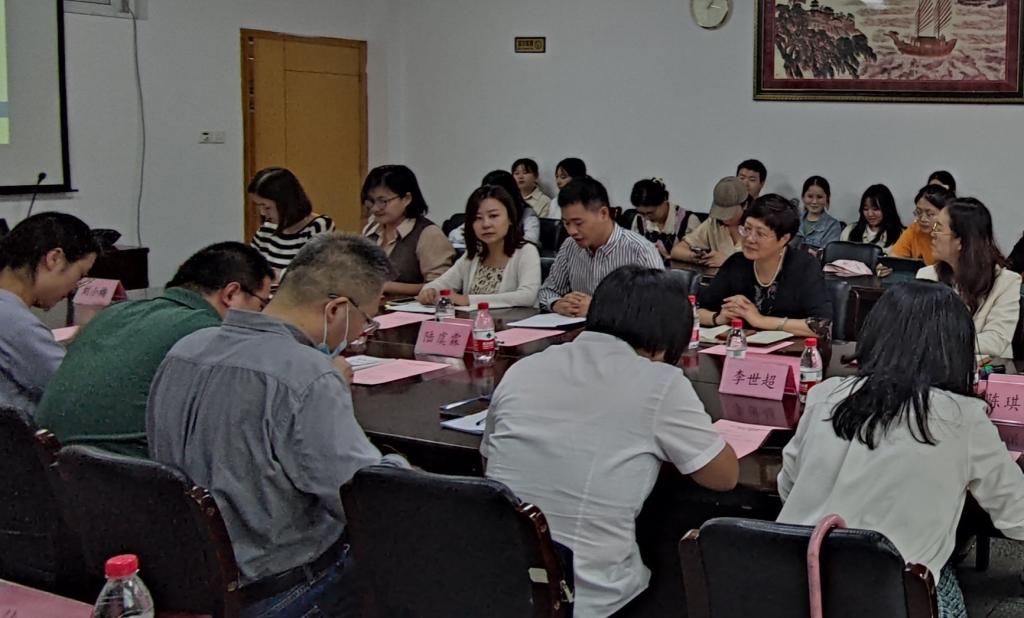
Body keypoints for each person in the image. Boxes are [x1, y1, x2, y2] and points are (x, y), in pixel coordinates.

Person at [147, 233, 409, 617]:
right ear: (336, 310)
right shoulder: (307, 374)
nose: (360, 334)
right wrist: (401, 467)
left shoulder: (185, 349)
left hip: (188, 580)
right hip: (276, 589)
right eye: (366, 321)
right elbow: (361, 500)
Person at [482, 265, 739, 617]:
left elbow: (488, 462)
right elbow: (723, 477)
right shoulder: (659, 383)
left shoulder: (524, 368)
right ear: (668, 336)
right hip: (589, 596)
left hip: (499, 585)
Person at [777, 281, 1024, 618]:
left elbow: (787, 486)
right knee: (941, 578)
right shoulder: (963, 417)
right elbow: (1017, 515)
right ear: (957, 349)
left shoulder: (826, 394)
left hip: (794, 582)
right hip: (889, 594)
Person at [36, 242, 274, 458]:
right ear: (231, 294)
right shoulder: (207, 333)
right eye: (261, 304)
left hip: (53, 465)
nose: (261, 315)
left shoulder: (116, 312)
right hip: (126, 474)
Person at [0, 213, 99, 414]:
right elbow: (78, 390)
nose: (75, 287)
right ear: (54, 259)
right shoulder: (15, 322)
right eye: (80, 274)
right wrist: (90, 336)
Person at [698, 194, 832, 338]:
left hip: (791, 350)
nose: (750, 239)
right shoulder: (736, 263)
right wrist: (718, 318)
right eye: (747, 229)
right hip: (741, 346)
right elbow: (696, 310)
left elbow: (821, 326)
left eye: (760, 234)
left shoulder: (804, 267)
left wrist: (760, 320)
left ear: (784, 239)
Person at [538, 176, 664, 317]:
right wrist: (556, 304)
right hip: (576, 328)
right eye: (566, 223)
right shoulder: (570, 246)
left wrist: (598, 308)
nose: (572, 231)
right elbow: (547, 291)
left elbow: (657, 307)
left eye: (578, 223)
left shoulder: (640, 250)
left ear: (603, 214)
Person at [917, 198, 1020, 358]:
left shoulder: (1005, 282)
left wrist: (941, 342)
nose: (932, 233)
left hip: (986, 369)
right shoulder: (926, 275)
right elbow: (918, 332)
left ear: (961, 241)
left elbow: (996, 340)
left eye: (939, 228)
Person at [420, 185, 541, 308]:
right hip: (475, 320)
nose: (486, 224)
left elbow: (527, 296)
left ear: (510, 218)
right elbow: (440, 284)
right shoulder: (474, 254)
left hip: (514, 320)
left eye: (493, 216)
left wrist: (468, 300)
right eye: (478, 218)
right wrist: (430, 291)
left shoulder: (526, 251)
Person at [361, 164, 454, 296]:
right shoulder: (371, 229)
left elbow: (440, 287)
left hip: (411, 307)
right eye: (371, 201)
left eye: (383, 201)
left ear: (406, 199)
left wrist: (387, 287)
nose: (375, 208)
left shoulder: (428, 233)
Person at [248, 167, 335, 282]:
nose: (263, 213)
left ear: (286, 203)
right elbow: (249, 266)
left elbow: (317, 274)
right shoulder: (266, 229)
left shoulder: (318, 226)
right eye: (258, 206)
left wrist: (276, 275)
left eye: (267, 207)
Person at [447, 170, 540, 247]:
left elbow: (530, 241)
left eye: (494, 216)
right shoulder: (481, 212)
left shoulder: (527, 213)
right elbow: (454, 235)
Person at [670, 177, 748, 267]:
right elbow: (676, 251)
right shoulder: (713, 223)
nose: (724, 216)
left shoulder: (755, 228)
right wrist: (695, 257)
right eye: (720, 210)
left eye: (729, 211)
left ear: (745, 205)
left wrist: (727, 261)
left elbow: (758, 267)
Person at [627, 178, 702, 258]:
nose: (646, 218)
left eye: (650, 213)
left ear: (664, 199)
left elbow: (699, 260)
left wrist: (668, 256)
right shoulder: (639, 220)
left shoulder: (688, 221)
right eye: (642, 213)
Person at [886, 184, 954, 267]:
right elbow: (893, 259)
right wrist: (886, 266)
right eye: (919, 212)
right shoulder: (914, 229)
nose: (922, 219)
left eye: (930, 214)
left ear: (945, 213)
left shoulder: (951, 235)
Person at [839, 184, 904, 249]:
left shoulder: (902, 235)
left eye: (875, 209)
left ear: (887, 209)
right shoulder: (849, 231)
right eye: (866, 209)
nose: (870, 214)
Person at [793, 176, 842, 254]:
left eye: (819, 197)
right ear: (803, 197)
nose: (814, 201)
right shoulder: (793, 219)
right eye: (810, 196)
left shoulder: (833, 226)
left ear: (827, 198)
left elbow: (829, 256)